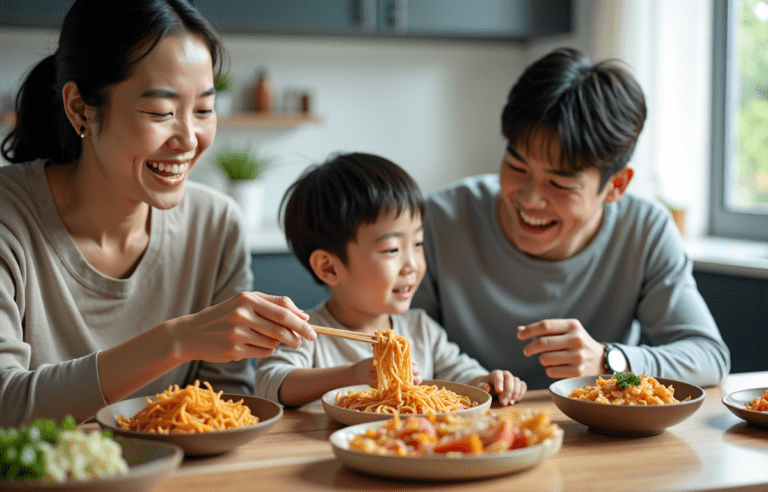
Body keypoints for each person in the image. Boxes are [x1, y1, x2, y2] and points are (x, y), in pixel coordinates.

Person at [0, 0, 316, 427]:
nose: (189, 139)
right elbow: (6, 405)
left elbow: (224, 405)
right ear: (80, 109)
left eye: (204, 109)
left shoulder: (215, 225)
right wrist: (178, 340)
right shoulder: (10, 218)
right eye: (161, 112)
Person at [411, 47, 731, 390]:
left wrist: (611, 362)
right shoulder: (438, 222)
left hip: (598, 433)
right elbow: (402, 347)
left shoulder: (644, 230)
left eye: (560, 183)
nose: (529, 198)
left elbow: (709, 358)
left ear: (615, 186)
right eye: (517, 167)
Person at [254, 152, 527, 407]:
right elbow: (270, 383)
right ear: (329, 268)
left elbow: (462, 373)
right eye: (392, 250)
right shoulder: (306, 332)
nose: (413, 264)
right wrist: (351, 375)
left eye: (418, 243)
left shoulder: (421, 329)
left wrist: (487, 381)